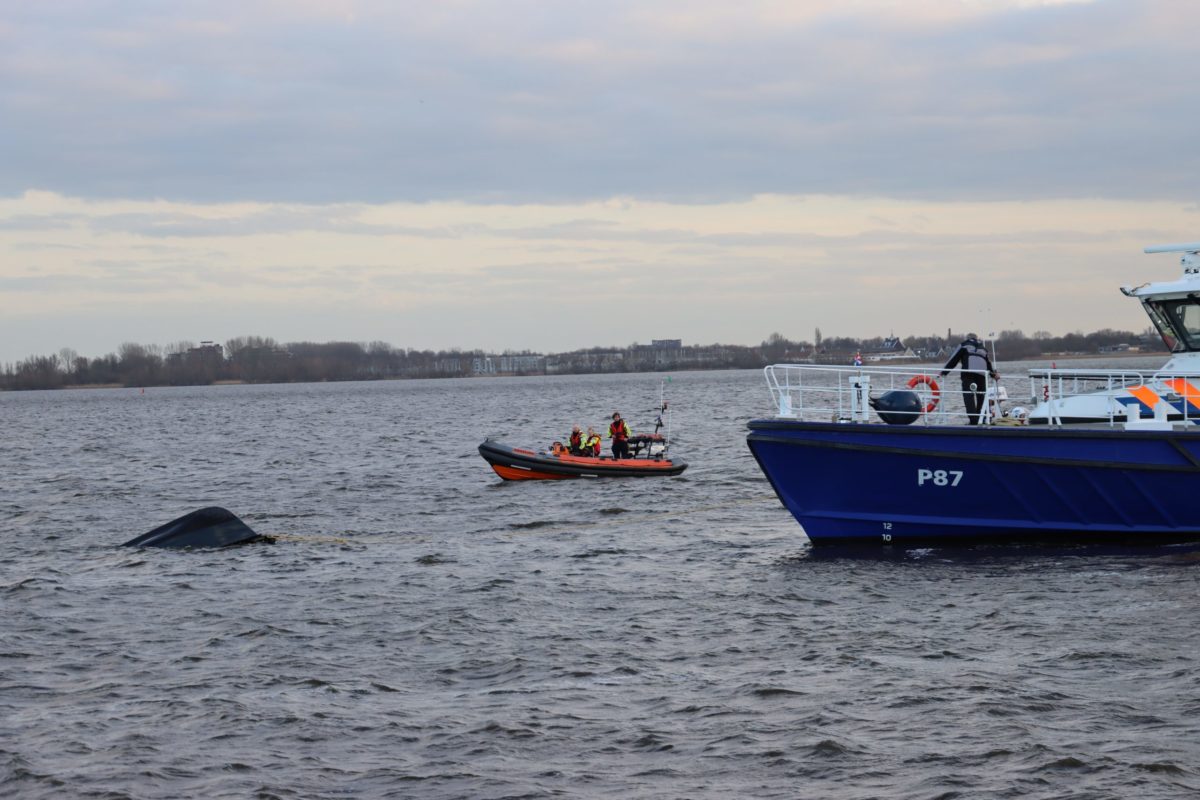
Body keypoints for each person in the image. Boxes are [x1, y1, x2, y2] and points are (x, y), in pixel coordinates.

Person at [940, 333, 1000, 425]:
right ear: (977, 339)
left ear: (968, 338)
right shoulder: (983, 349)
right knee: (981, 397)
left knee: (969, 396)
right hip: (982, 375)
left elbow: (954, 359)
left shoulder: (964, 345)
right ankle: (981, 418)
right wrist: (994, 375)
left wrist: (943, 372)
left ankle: (973, 421)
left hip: (968, 374)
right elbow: (988, 364)